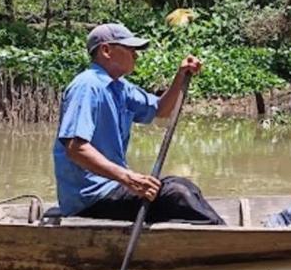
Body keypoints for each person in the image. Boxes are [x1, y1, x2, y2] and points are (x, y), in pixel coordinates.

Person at [52, 23, 224, 224]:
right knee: (176, 195)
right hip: (90, 197)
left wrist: (180, 76)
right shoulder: (87, 86)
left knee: (183, 186)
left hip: (112, 187)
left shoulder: (120, 87)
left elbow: (161, 110)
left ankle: (225, 234)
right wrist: (128, 178)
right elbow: (75, 148)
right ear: (106, 50)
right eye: (131, 49)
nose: (136, 55)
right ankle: (230, 240)